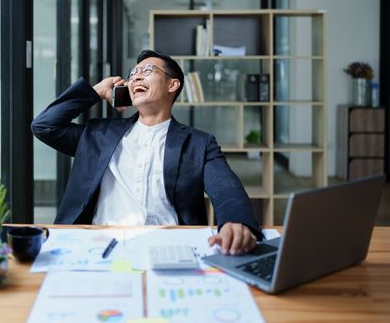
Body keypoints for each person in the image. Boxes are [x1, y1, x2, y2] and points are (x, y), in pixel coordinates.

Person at [32, 49, 263, 255]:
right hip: (101, 244)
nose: (136, 77)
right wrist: (94, 92)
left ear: (173, 85)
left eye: (148, 70)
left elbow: (226, 189)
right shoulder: (98, 134)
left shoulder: (198, 143)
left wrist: (236, 221)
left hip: (170, 247)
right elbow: (44, 126)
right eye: (133, 73)